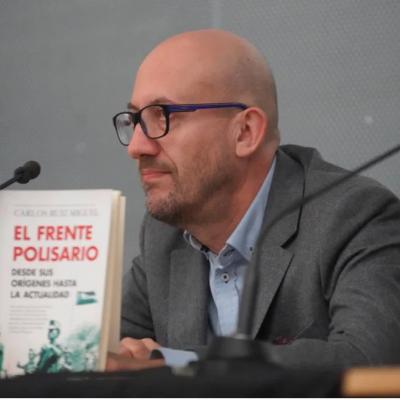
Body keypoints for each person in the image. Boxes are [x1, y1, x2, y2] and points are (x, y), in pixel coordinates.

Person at [107, 29, 400, 371]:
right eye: (136, 120)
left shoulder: (355, 217)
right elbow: (110, 354)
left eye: (162, 116)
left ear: (245, 132)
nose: (136, 147)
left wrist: (173, 365)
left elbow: (368, 362)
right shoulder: (164, 233)